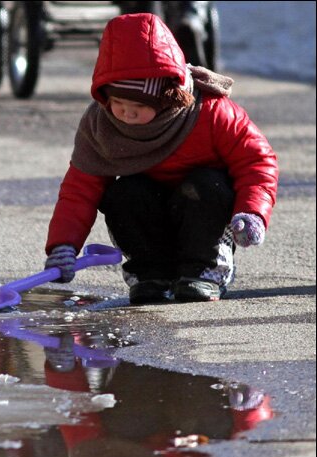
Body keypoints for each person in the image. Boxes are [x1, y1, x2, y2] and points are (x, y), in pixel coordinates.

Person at [44, 13, 278, 304]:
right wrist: (63, 245)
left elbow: (257, 161)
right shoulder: (101, 125)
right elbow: (80, 189)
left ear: (168, 98)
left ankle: (204, 270)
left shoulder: (210, 112)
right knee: (123, 193)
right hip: (147, 212)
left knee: (205, 184)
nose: (126, 114)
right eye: (118, 103)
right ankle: (149, 274)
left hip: (203, 211)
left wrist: (252, 212)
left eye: (138, 106)